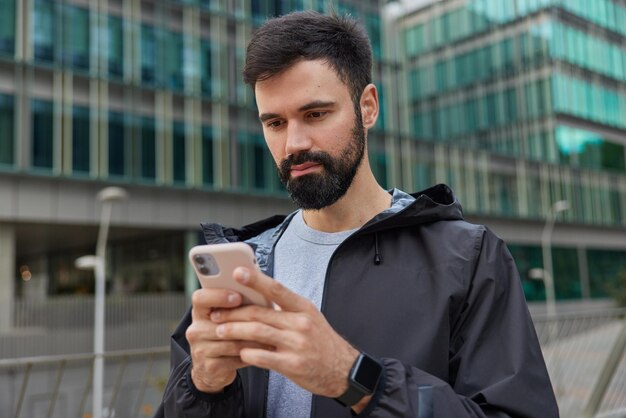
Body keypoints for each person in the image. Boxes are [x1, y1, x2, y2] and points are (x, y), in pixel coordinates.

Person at [155, 10, 559, 418]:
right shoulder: (245, 265)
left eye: (315, 114)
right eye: (275, 122)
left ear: (367, 107)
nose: (294, 143)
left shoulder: (468, 258)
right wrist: (204, 387)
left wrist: (359, 380)